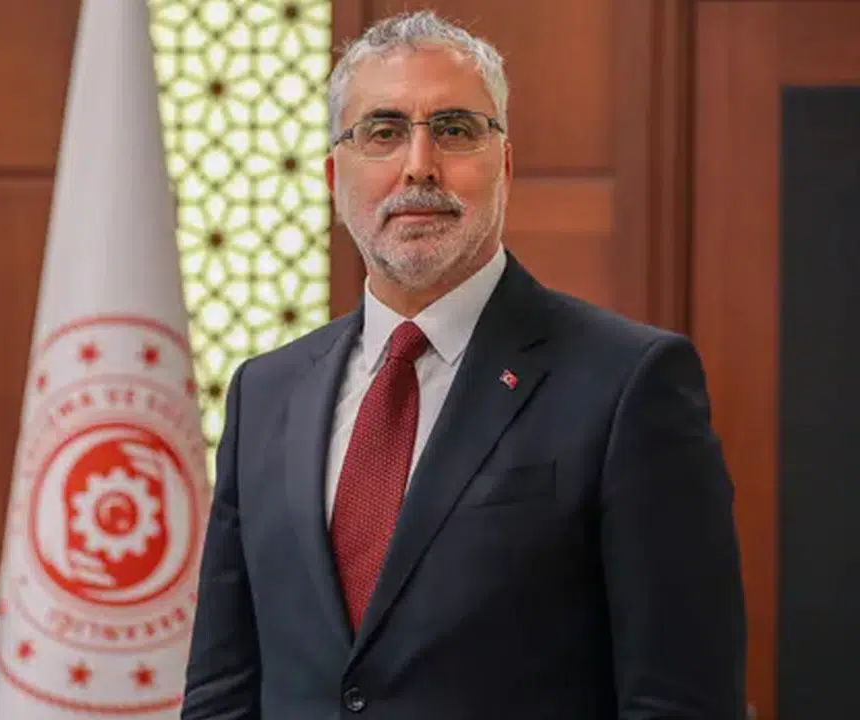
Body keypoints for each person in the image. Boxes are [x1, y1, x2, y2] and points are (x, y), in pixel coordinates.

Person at [182, 10, 747, 719]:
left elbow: (680, 702)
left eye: (453, 129)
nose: (419, 164)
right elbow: (222, 690)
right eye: (383, 132)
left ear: (504, 166)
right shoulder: (265, 392)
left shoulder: (630, 384)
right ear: (333, 177)